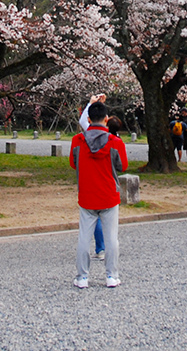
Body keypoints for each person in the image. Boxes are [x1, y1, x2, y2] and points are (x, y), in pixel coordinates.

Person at [70, 99, 128, 288]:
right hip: (109, 195)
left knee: (83, 238)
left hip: (87, 195)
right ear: (105, 119)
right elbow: (123, 166)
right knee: (112, 238)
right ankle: (111, 276)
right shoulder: (115, 142)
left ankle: (82, 277)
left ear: (89, 118)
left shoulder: (78, 141)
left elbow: (73, 163)